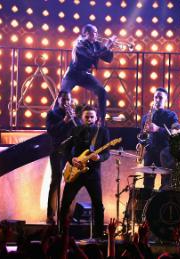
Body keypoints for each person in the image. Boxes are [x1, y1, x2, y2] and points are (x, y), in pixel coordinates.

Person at [59, 105, 110, 238]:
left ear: (96, 118)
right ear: (82, 117)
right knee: (65, 203)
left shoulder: (102, 132)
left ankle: (99, 235)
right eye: (86, 117)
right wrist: (71, 159)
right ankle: (61, 232)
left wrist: (99, 157)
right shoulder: (75, 130)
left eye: (92, 117)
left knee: (98, 205)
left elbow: (107, 153)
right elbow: (65, 150)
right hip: (75, 172)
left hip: (93, 173)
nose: (89, 119)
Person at [60, 24, 115, 126]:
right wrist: (106, 46)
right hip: (72, 74)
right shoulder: (79, 44)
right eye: (94, 32)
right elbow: (91, 55)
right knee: (63, 94)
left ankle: (101, 121)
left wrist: (110, 48)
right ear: (86, 34)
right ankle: (61, 121)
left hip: (85, 74)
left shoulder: (96, 44)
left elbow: (108, 59)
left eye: (96, 32)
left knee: (102, 91)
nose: (97, 34)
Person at [45, 92, 81, 224]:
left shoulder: (73, 114)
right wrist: (64, 121)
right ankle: (51, 214)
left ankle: (66, 213)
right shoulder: (52, 114)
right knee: (55, 180)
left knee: (71, 182)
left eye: (68, 100)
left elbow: (79, 130)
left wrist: (75, 118)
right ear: (59, 100)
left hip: (71, 152)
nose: (66, 102)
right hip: (57, 151)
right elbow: (51, 130)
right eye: (64, 99)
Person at [139, 87, 178, 190]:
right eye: (156, 97)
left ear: (166, 99)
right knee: (147, 185)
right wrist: (141, 143)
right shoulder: (146, 117)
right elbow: (142, 135)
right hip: (150, 153)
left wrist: (158, 129)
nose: (157, 100)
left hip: (165, 153)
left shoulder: (171, 115)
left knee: (165, 185)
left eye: (160, 98)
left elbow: (175, 133)